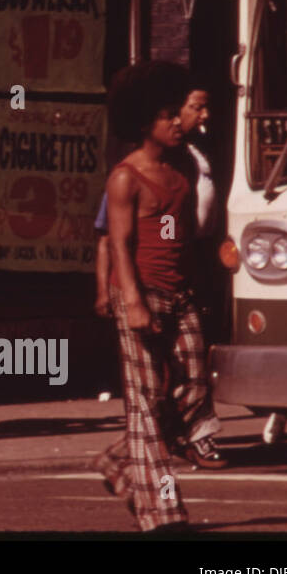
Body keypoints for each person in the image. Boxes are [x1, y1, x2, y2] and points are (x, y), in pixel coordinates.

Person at [96, 61, 215, 532]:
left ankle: (117, 459)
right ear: (145, 122)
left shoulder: (183, 168)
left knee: (193, 388)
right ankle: (162, 514)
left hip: (180, 294)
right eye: (167, 115)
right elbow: (119, 245)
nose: (176, 122)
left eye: (176, 114)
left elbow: (181, 234)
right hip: (139, 295)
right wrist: (134, 303)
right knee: (145, 403)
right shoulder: (125, 178)